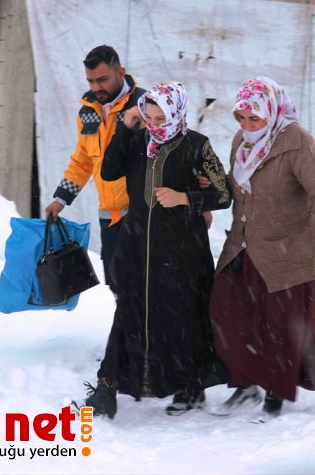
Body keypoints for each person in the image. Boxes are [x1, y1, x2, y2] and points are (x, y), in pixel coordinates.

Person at [75, 81, 232, 418]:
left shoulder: (197, 146)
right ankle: (107, 387)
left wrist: (185, 198)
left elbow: (223, 194)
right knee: (128, 312)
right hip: (137, 245)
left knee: (184, 316)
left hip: (182, 251)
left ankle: (191, 386)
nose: (155, 125)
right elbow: (108, 170)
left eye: (161, 118)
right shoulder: (139, 139)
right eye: (148, 118)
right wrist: (125, 126)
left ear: (177, 112)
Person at [207, 77, 315, 421]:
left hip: (288, 249)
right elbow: (238, 188)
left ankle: (275, 394)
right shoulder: (242, 141)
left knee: (282, 325)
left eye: (255, 118)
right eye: (241, 117)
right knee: (228, 313)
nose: (247, 125)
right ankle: (245, 383)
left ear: (273, 110)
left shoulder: (297, 142)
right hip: (243, 244)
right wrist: (210, 188)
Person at [43, 45, 146, 295]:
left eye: (102, 79)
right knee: (116, 280)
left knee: (142, 282)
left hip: (141, 212)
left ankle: (141, 333)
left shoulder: (144, 105)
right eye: (91, 81)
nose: (96, 87)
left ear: (120, 72)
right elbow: (83, 161)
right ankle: (128, 331)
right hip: (109, 214)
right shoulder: (87, 112)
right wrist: (61, 198)